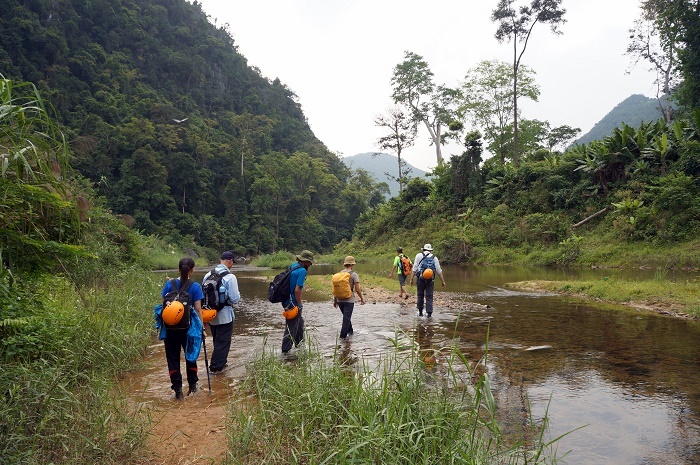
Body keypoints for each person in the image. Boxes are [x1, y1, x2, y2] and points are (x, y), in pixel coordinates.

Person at [160, 257, 204, 400]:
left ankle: (178, 390)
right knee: (190, 356)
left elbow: (163, 308)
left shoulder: (169, 284)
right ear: (192, 270)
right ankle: (192, 386)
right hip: (188, 329)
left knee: (172, 359)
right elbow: (198, 310)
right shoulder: (195, 286)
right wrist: (201, 329)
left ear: (178, 269)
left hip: (170, 330)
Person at [202, 251, 241, 374]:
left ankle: (221, 363)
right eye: (232, 263)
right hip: (225, 315)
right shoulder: (230, 277)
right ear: (230, 261)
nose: (232, 265)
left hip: (211, 314)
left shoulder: (208, 274)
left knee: (217, 341)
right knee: (223, 342)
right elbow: (235, 299)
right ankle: (216, 368)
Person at [281, 250, 314, 353]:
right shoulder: (302, 271)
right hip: (293, 304)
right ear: (305, 261)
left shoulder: (293, 265)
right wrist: (299, 304)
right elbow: (297, 290)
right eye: (310, 262)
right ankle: (285, 352)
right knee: (291, 328)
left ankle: (300, 348)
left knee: (299, 324)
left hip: (286, 301)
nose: (311, 264)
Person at [333, 256, 365, 339]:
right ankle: (342, 338)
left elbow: (336, 288)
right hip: (349, 300)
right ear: (352, 264)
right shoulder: (354, 274)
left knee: (346, 317)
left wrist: (335, 300)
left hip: (339, 299)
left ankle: (350, 332)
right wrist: (362, 298)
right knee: (346, 319)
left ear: (345, 264)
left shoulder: (339, 274)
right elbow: (357, 289)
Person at [409, 244, 446, 317]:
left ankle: (420, 313)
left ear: (423, 249)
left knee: (420, 295)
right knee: (429, 296)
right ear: (431, 250)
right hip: (430, 280)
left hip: (420, 279)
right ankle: (429, 314)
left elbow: (414, 268)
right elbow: (439, 270)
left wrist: (411, 279)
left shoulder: (419, 255)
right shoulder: (434, 257)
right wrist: (443, 281)